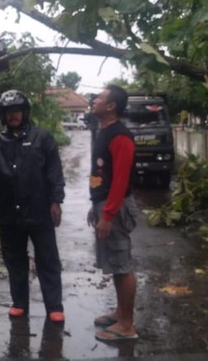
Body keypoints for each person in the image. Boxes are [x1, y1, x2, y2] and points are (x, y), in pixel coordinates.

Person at [0, 90, 66, 323]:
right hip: (9, 213)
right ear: (3, 115)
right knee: (15, 260)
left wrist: (56, 201)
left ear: (25, 112)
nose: (13, 116)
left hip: (39, 210)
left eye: (17, 111)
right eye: (8, 112)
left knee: (47, 259)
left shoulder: (43, 138)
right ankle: (19, 302)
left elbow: (54, 172)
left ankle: (54, 306)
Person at [87, 85, 140, 342]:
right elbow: (102, 176)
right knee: (116, 264)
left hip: (115, 207)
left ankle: (127, 326)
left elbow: (119, 180)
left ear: (111, 107)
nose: (94, 100)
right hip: (105, 203)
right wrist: (94, 205)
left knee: (122, 264)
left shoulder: (120, 136)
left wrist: (107, 214)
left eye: (99, 98)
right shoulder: (103, 131)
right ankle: (120, 313)